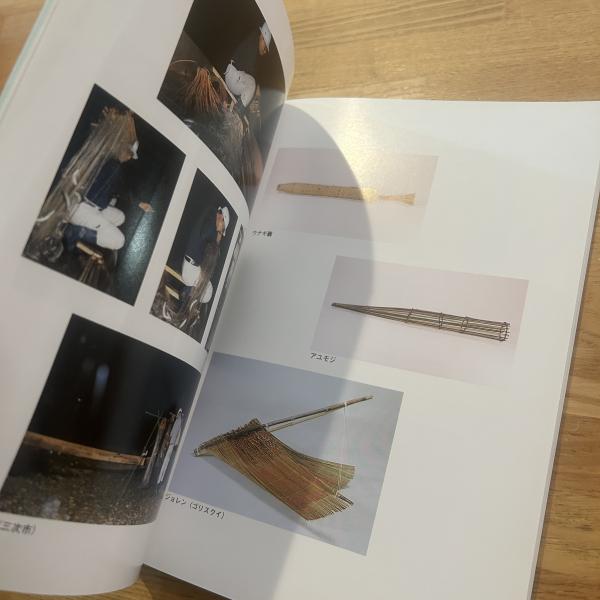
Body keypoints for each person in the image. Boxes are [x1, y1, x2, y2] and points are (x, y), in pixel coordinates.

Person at [63, 140, 139, 252]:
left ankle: (89, 227)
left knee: (120, 217)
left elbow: (117, 189)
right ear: (121, 147)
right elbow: (122, 190)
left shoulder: (108, 160)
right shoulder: (114, 167)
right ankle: (75, 232)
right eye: (129, 153)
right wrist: (138, 202)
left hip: (82, 203)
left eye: (130, 155)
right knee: (119, 241)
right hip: (81, 209)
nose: (128, 158)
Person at [224, 22, 272, 109]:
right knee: (252, 83)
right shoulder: (253, 42)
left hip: (234, 76)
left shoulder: (253, 41)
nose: (264, 52)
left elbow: (248, 67)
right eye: (265, 48)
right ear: (262, 38)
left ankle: (234, 107)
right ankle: (238, 111)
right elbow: (249, 69)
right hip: (233, 75)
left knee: (250, 88)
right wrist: (257, 87)